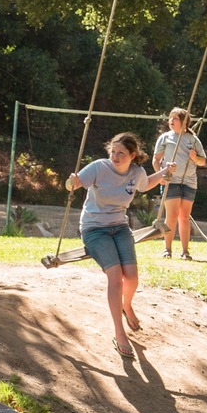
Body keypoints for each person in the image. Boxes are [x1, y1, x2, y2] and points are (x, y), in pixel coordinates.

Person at [65, 132, 170, 356]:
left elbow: (145, 184)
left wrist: (164, 173)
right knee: (116, 277)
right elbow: (75, 183)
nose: (115, 156)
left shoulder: (136, 172)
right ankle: (119, 332)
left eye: (121, 153)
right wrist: (72, 182)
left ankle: (127, 305)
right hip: (94, 229)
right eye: (113, 152)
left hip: (119, 227)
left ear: (132, 155)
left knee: (131, 276)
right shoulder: (98, 168)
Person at [152, 107, 207, 260]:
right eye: (170, 118)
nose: (171, 121)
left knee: (184, 217)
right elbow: (156, 160)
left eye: (175, 118)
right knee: (172, 215)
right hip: (171, 181)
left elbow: (203, 161)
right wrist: (160, 176)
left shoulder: (193, 140)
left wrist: (195, 158)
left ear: (184, 122)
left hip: (189, 182)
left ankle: (185, 252)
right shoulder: (165, 138)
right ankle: (167, 250)